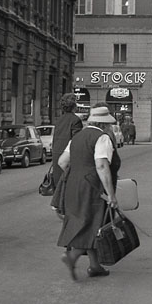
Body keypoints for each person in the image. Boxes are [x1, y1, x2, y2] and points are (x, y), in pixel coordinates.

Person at [57, 106, 120, 280]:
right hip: (93, 188)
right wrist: (111, 195)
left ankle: (95, 265)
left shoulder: (76, 138)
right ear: (104, 124)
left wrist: (78, 174)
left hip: (73, 186)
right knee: (93, 223)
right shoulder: (102, 138)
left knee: (86, 222)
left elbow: (62, 162)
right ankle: (72, 256)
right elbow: (101, 166)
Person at [51, 93, 84, 188]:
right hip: (68, 159)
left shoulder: (59, 120)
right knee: (69, 189)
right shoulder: (76, 120)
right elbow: (76, 142)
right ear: (74, 106)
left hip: (57, 157)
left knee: (59, 188)